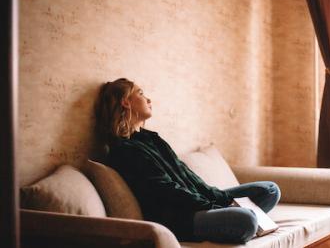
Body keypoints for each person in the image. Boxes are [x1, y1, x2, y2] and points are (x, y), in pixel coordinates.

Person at [94, 78, 280, 243]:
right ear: (125, 102)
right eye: (141, 94)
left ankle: (232, 217)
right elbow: (166, 190)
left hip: (196, 202)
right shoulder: (125, 151)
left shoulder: (152, 139)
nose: (149, 99)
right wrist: (213, 206)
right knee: (247, 220)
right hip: (179, 217)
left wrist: (220, 198)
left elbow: (187, 175)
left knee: (270, 190)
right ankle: (238, 221)